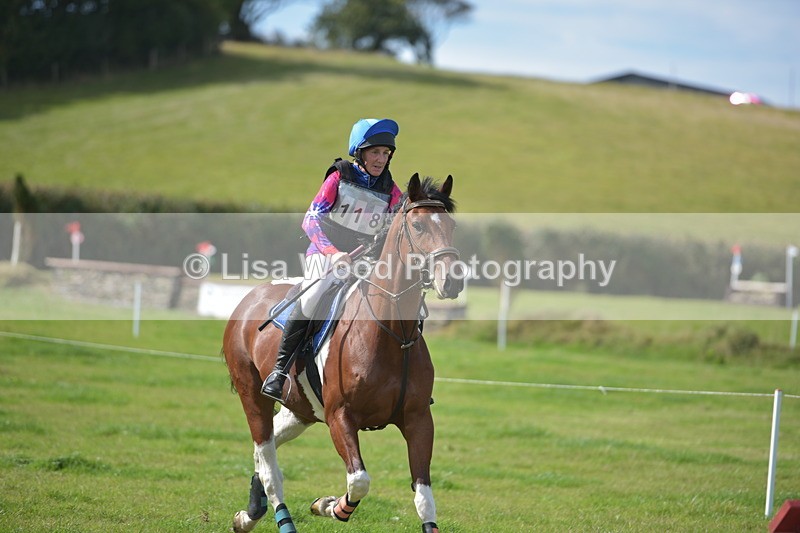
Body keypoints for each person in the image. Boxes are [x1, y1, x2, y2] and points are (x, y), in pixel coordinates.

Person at [261, 118, 404, 402]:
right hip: (325, 254)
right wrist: (332, 253)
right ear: (360, 153)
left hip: (364, 261)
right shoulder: (339, 177)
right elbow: (311, 219)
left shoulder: (392, 190)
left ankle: (406, 377)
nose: (380, 159)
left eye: (386, 153)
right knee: (312, 296)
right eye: (375, 152)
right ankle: (279, 371)